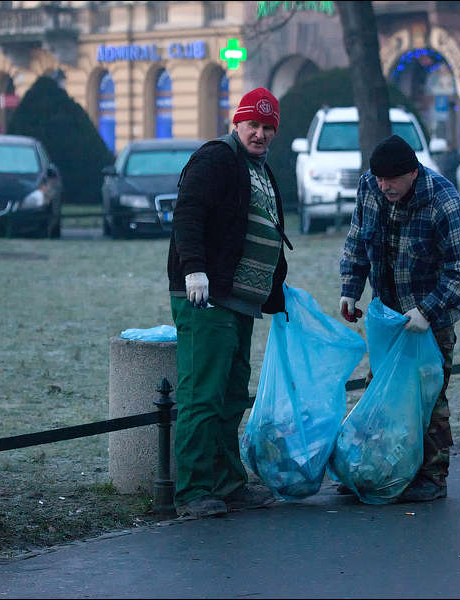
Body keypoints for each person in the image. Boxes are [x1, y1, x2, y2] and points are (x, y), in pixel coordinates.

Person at [167, 87, 292, 519]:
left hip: (240, 301)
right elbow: (188, 213)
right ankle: (193, 490)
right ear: (236, 123)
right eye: (252, 125)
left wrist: (275, 286)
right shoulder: (216, 157)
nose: (259, 133)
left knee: (232, 392)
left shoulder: (257, 165)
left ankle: (227, 483)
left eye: (267, 127)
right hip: (207, 296)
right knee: (203, 393)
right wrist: (194, 269)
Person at [339, 134, 460, 502]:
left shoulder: (442, 200)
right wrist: (350, 287)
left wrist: (428, 310)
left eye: (392, 180)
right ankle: (375, 467)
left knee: (428, 397)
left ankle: (431, 477)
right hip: (388, 316)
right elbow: (357, 240)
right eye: (379, 179)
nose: (384, 186)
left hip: (431, 319)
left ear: (413, 173)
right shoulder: (371, 187)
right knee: (380, 393)